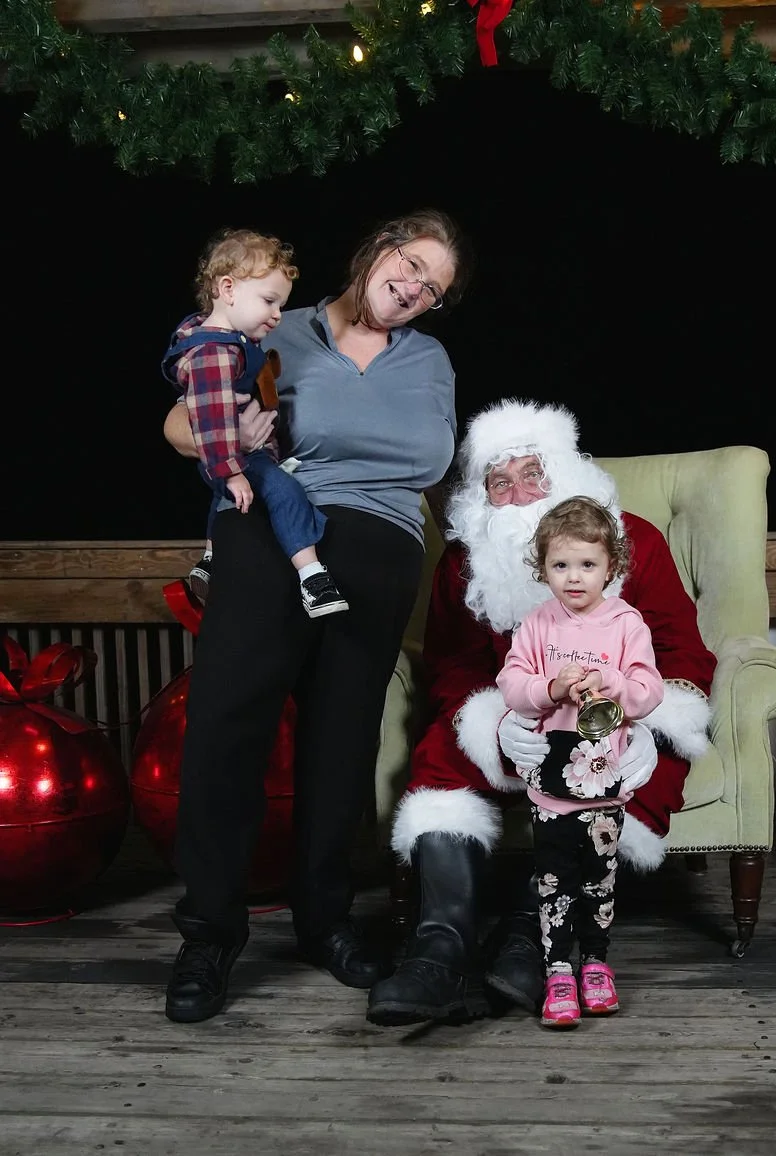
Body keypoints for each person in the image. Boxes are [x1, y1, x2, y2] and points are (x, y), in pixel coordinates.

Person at [160, 208, 473, 1024]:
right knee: (228, 718)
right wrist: (217, 436)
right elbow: (180, 418)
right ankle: (210, 932)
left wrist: (487, 545)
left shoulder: (429, 360)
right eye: (409, 264)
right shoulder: (273, 325)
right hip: (274, 523)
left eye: (432, 289)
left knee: (343, 736)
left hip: (384, 543)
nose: (413, 289)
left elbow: (441, 470)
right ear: (377, 248)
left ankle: (324, 921)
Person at [366, 398, 718, 1028]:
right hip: (521, 707)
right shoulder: (463, 563)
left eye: (533, 474)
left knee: (638, 773)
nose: (517, 493)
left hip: (618, 717)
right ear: (482, 498)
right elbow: (455, 664)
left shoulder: (634, 540)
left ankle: (530, 937)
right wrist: (495, 721)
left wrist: (638, 721)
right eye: (499, 482)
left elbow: (682, 651)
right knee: (442, 755)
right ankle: (438, 949)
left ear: (565, 476)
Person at [496, 495, 665, 1028]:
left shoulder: (626, 624)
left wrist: (612, 681)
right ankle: (556, 971)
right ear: (542, 567)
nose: (574, 578)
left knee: (598, 878)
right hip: (550, 781)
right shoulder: (537, 624)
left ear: (611, 567)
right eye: (560, 565)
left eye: (587, 565)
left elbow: (647, 690)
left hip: (606, 779)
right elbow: (511, 683)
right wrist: (550, 686)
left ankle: (595, 962)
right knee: (554, 878)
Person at [162, 228, 349, 618]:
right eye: (269, 301)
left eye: (281, 304)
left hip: (229, 458)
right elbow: (212, 421)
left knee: (224, 500)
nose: (277, 315)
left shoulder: (226, 341)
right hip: (231, 456)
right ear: (228, 289)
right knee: (285, 493)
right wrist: (231, 472)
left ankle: (211, 561)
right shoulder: (213, 350)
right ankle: (312, 577)